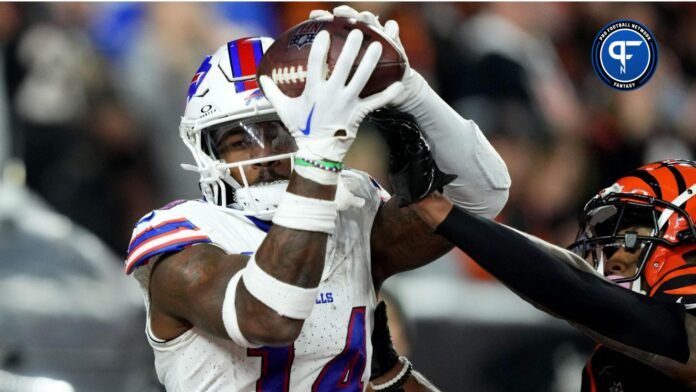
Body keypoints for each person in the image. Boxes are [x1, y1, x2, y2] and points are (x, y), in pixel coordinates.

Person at [123, 5, 510, 391]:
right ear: (207, 151)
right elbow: (267, 317)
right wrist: (317, 157)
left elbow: (479, 199)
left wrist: (412, 92)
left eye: (280, 131)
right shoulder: (179, 235)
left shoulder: (350, 211)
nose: (265, 155)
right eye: (240, 141)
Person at [411, 159, 696, 391]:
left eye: (632, 240)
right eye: (610, 245)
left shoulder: (676, 337)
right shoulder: (610, 364)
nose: (613, 260)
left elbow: (573, 289)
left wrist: (443, 212)